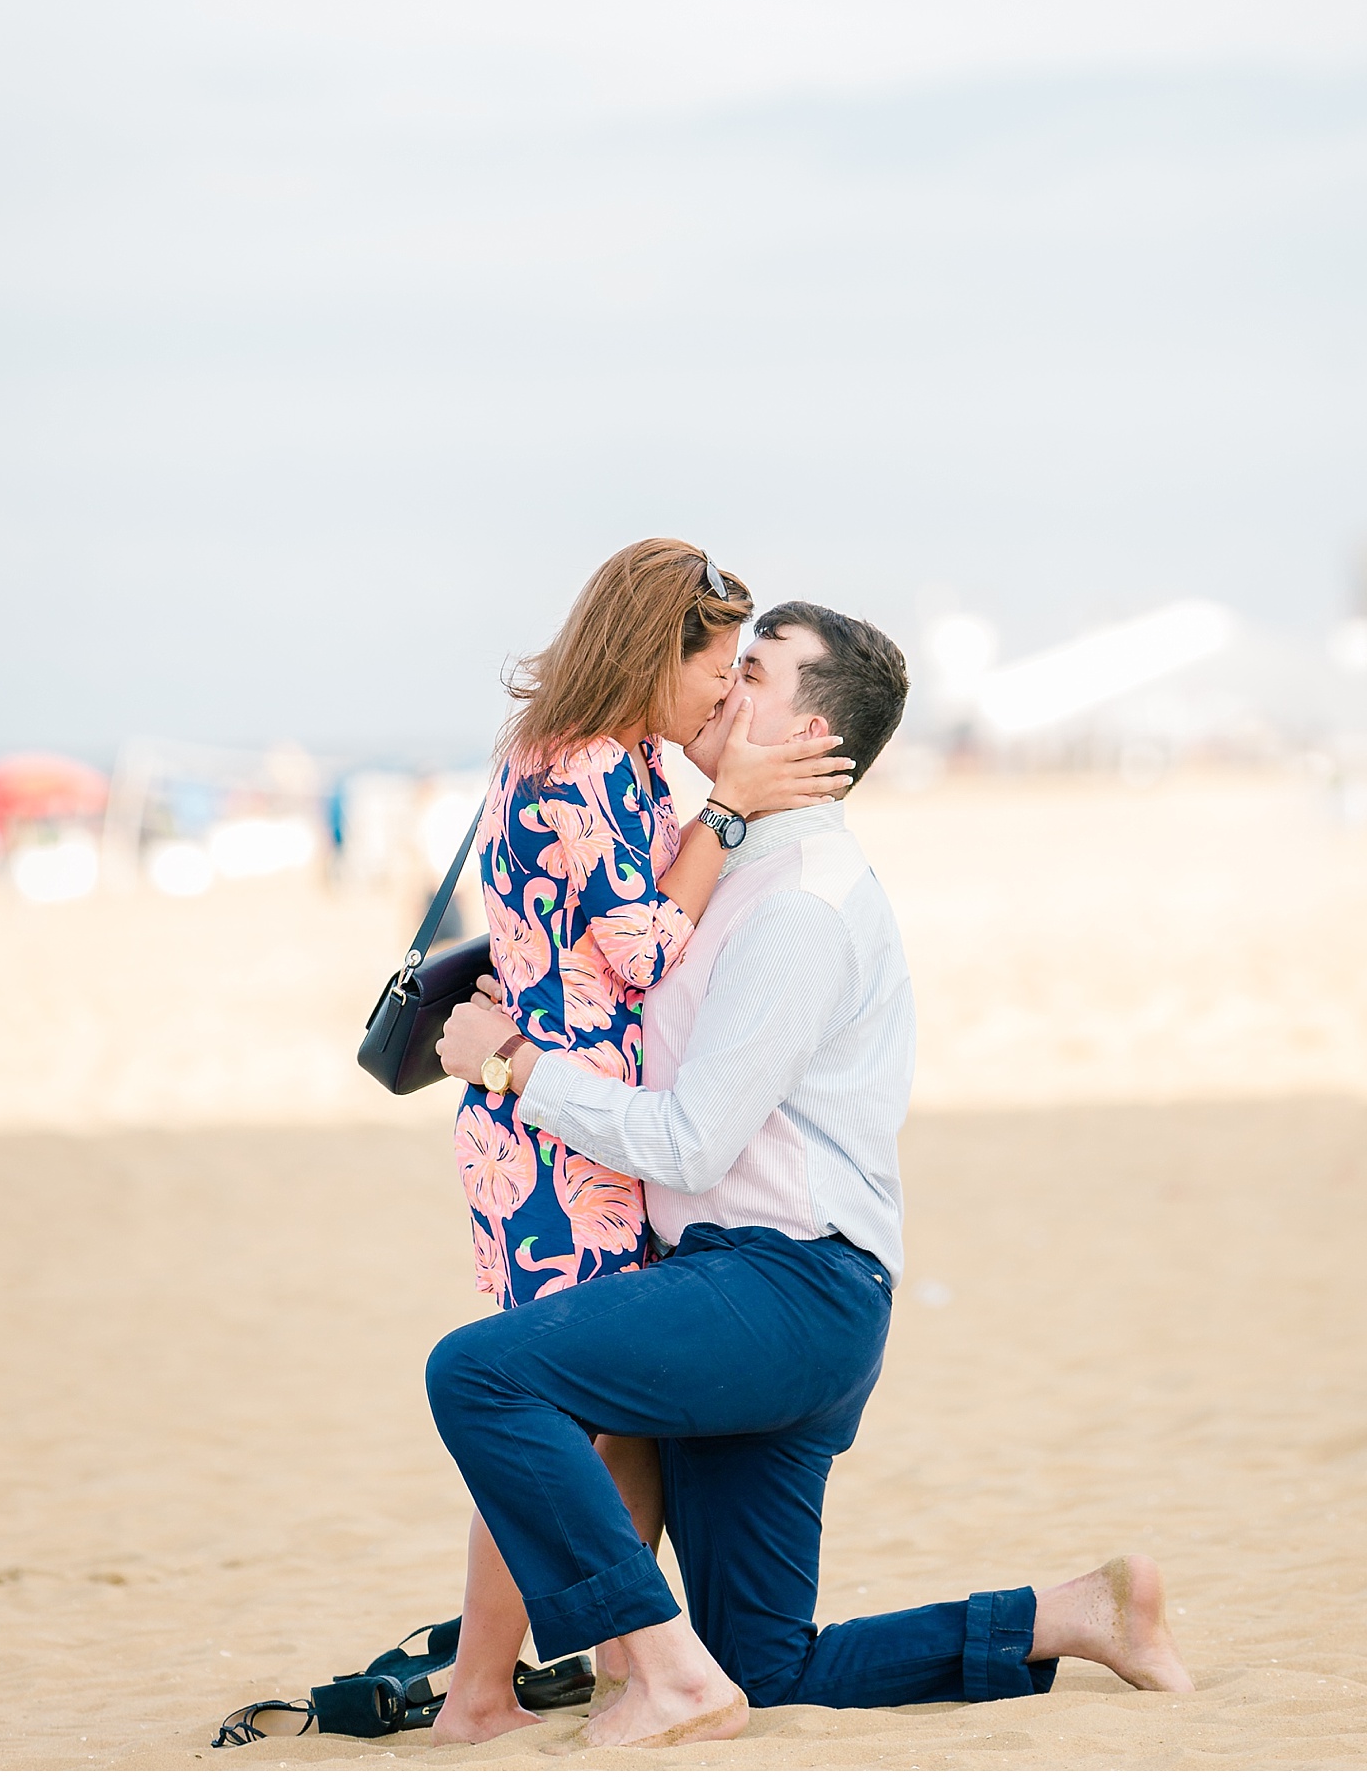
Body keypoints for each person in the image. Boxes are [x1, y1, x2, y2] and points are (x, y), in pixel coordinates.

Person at [428, 602, 1194, 1748]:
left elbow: (691, 1141)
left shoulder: (800, 904)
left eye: (755, 673)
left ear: (816, 731)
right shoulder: (734, 858)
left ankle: (664, 1674)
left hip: (782, 1289)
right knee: (772, 1664)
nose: (724, 685)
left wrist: (516, 1067)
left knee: (481, 1376)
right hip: (768, 1293)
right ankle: (1071, 1613)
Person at [428, 544, 855, 1746]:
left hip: (582, 1121)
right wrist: (732, 807)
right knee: (558, 1410)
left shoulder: (612, 761)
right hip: (557, 1134)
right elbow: (653, 940)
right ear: (645, 656)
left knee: (590, 1412)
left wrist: (721, 793)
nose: (726, 697)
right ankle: (487, 1690)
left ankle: (583, 1675)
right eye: (716, 672)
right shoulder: (580, 771)